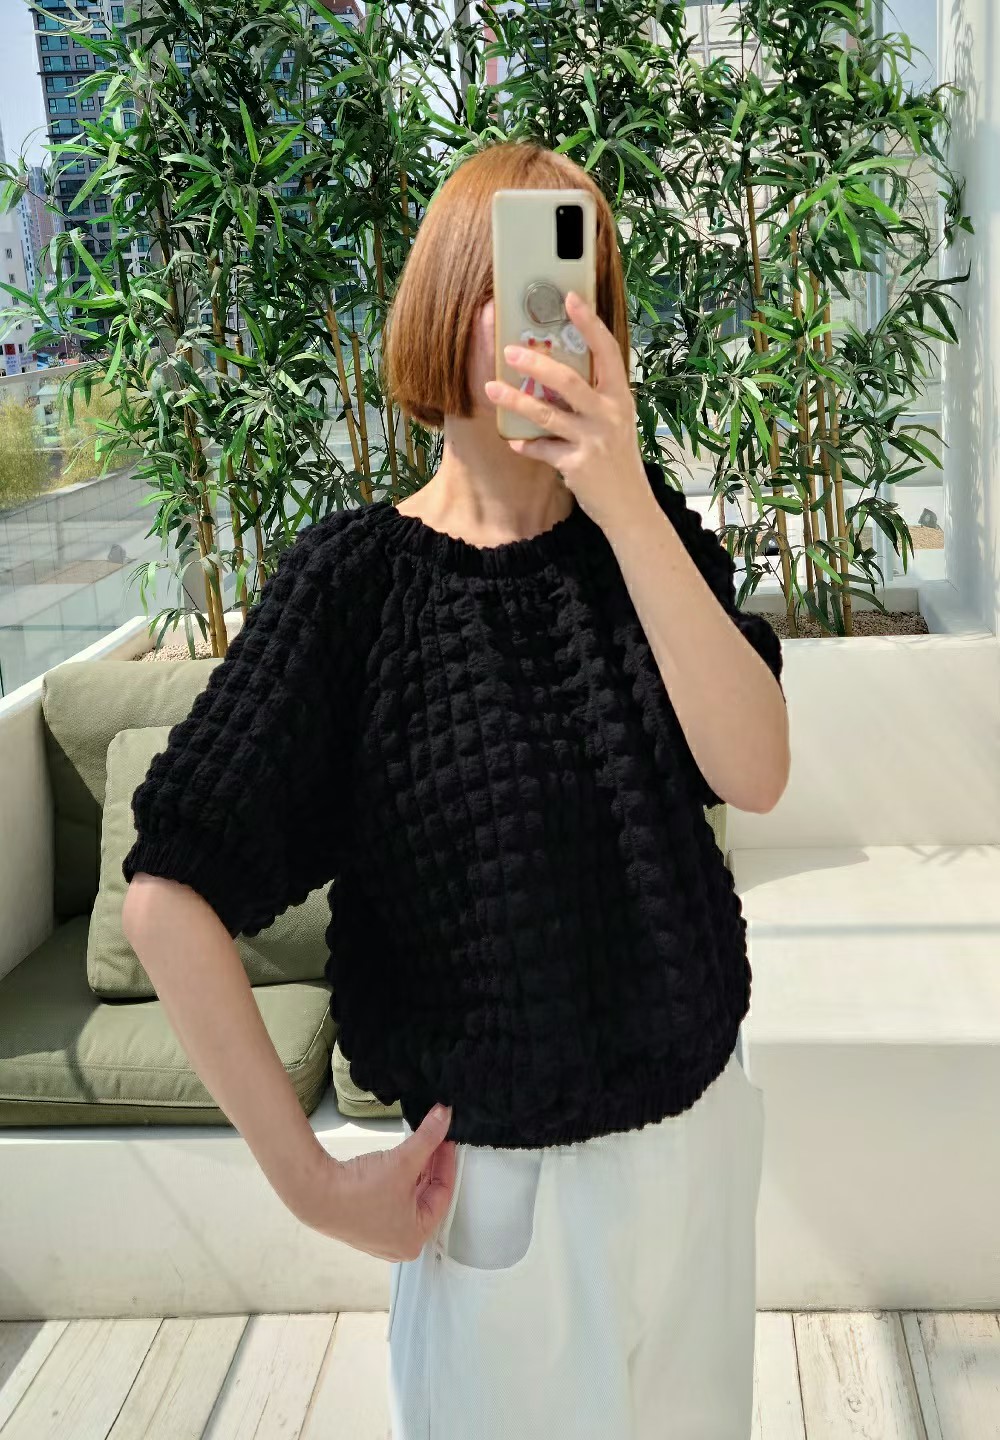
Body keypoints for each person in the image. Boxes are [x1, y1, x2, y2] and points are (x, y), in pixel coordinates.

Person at [121, 139, 789, 1439]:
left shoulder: (643, 535)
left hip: (701, 1141)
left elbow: (754, 771)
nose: (558, 312)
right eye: (522, 278)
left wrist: (624, 502)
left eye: (582, 284)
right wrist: (312, 1184)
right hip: (495, 1197)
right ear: (443, 303)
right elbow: (167, 898)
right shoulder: (356, 588)